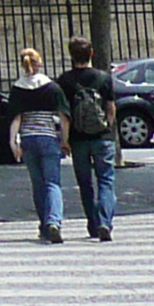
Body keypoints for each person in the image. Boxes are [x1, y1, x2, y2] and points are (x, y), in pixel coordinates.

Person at [60, 39, 119, 242]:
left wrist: (65, 140)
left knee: (85, 184)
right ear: (91, 54)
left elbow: (64, 114)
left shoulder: (65, 80)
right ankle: (105, 222)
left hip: (78, 139)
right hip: (102, 137)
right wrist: (106, 127)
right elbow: (111, 107)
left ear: (71, 55)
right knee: (106, 180)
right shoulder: (104, 78)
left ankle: (93, 225)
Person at [9, 47, 68, 243]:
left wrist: (13, 142)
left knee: (38, 185)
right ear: (40, 63)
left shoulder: (17, 88)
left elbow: (16, 118)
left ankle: (44, 224)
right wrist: (65, 140)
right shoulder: (52, 87)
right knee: (53, 183)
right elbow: (63, 117)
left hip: (28, 139)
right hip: (48, 137)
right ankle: (54, 221)